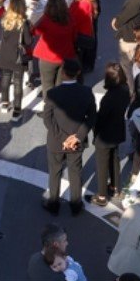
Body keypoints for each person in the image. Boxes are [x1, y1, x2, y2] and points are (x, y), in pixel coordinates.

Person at [42, 58, 95, 216]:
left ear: (63, 73)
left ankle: (53, 203)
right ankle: (76, 204)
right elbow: (91, 117)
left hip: (56, 141)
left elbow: (47, 118)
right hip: (76, 141)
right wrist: (76, 137)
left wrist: (61, 138)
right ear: (78, 73)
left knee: (55, 171)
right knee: (75, 172)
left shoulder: (53, 93)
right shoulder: (86, 92)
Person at [92, 63, 132, 206]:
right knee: (114, 159)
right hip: (117, 130)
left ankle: (102, 196)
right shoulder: (125, 89)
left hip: (105, 134)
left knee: (102, 165)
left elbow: (101, 118)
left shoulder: (109, 98)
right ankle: (115, 187)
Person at [0, 0, 33, 119]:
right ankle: (17, 110)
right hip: (17, 56)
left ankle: (4, 103)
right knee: (18, 82)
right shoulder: (23, 22)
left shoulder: (4, 19)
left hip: (4, 54)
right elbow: (28, 41)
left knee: (5, 78)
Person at [30, 0, 76, 99]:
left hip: (47, 58)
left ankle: (48, 110)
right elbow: (74, 37)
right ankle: (58, 108)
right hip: (65, 56)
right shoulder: (69, 19)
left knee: (47, 85)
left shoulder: (46, 20)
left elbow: (35, 31)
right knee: (59, 85)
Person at [70, 0, 99, 78]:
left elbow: (74, 20)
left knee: (78, 62)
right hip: (80, 35)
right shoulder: (81, 0)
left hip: (80, 37)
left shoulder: (83, 4)